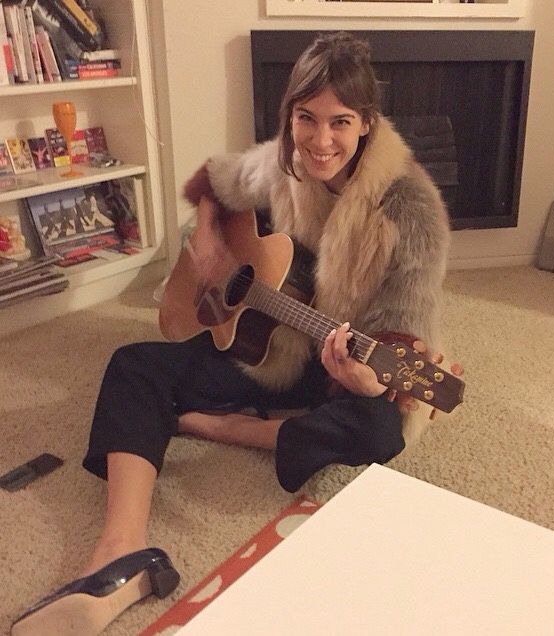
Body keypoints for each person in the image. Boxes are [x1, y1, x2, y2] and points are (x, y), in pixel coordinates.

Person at [11, 31, 462, 635]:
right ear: (290, 116)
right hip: (270, 344)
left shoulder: (410, 209)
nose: (320, 140)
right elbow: (211, 180)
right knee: (134, 364)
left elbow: (403, 336)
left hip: (340, 367)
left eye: (340, 122)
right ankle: (122, 553)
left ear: (367, 123)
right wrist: (206, 245)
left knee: (379, 433)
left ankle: (224, 424)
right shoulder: (281, 164)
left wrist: (363, 382)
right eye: (306, 118)